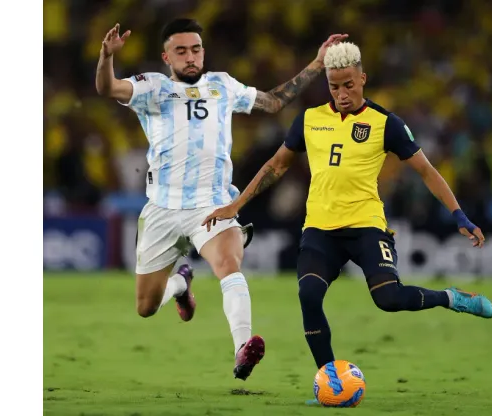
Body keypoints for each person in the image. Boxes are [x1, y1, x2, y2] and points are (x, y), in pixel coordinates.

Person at [202, 41, 492, 378]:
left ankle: (451, 298)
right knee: (309, 295)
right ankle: (330, 379)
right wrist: (234, 206)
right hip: (320, 230)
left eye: (349, 85)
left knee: (389, 298)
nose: (341, 93)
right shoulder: (309, 120)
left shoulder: (386, 123)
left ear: (363, 79)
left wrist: (459, 215)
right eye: (334, 86)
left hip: (366, 225)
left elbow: (426, 171)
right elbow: (276, 166)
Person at [95, 17, 348, 380]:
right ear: (166, 57)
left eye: (195, 49)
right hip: (163, 209)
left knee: (229, 264)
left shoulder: (223, 86)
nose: (190, 56)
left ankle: (242, 348)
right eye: (180, 51)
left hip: (213, 204)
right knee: (146, 307)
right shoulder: (152, 88)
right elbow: (107, 89)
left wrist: (317, 63)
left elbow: (275, 102)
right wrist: (106, 57)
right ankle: (181, 284)